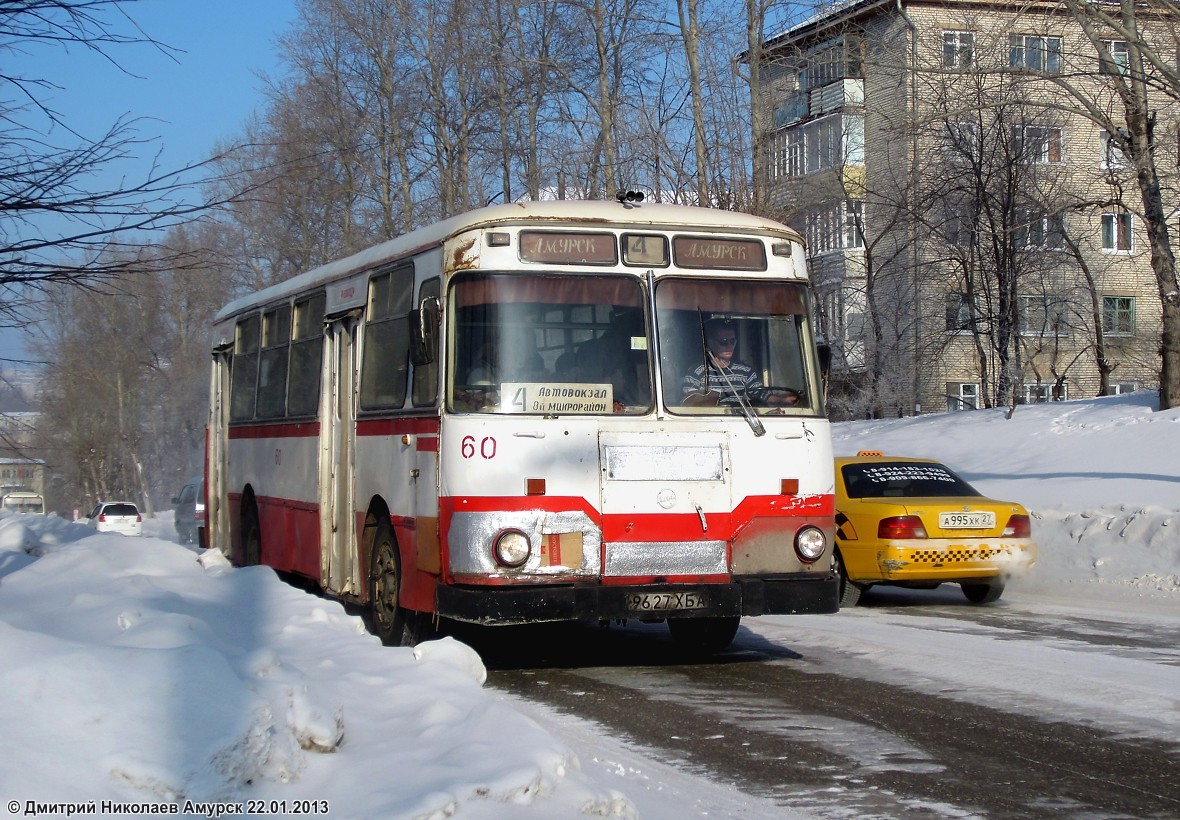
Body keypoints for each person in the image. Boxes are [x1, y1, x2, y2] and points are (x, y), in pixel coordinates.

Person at [680, 318, 799, 408]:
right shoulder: (697, 372)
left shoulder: (745, 371)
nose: (730, 346)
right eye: (724, 341)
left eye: (733, 341)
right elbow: (688, 402)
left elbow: (761, 395)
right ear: (710, 343)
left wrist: (783, 400)